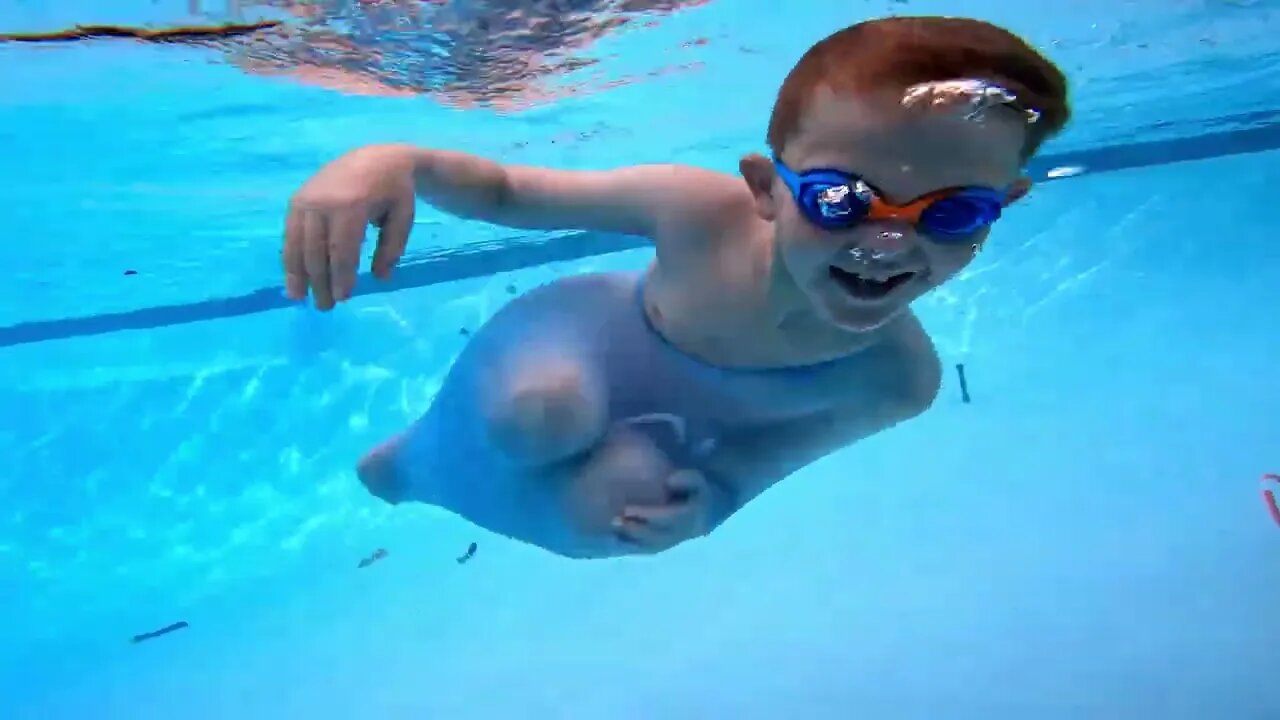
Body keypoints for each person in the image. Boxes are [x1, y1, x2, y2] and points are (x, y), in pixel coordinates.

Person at [281, 16, 1071, 559]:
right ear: (766, 189)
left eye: (955, 213)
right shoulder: (698, 211)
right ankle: (409, 464)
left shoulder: (898, 380)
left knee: (618, 511)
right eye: (840, 200)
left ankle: (438, 478)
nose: (888, 242)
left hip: (670, 423)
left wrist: (710, 505)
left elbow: (767, 461)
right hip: (585, 336)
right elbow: (512, 193)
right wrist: (394, 162)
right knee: (541, 415)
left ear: (1004, 205)